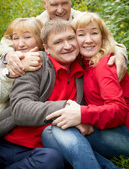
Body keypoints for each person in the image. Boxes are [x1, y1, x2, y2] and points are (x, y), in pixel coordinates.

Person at [0, 19, 117, 169]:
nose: (67, 46)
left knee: (51, 160)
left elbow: (99, 39)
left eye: (71, 39)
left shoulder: (84, 69)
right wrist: (66, 108)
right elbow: (20, 109)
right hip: (5, 143)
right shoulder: (35, 63)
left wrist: (121, 55)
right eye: (58, 42)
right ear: (46, 48)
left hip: (39, 151)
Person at [42, 12, 129, 166]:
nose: (88, 40)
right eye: (81, 35)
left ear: (102, 37)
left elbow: (119, 110)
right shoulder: (84, 64)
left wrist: (82, 115)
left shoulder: (104, 65)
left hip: (124, 134)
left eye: (94, 33)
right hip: (109, 129)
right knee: (53, 132)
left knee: (56, 131)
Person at [0, 0, 127, 81]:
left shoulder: (82, 19)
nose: (60, 10)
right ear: (45, 4)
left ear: (70, 1)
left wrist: (120, 55)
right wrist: (8, 55)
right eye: (54, 5)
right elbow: (8, 40)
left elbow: (108, 41)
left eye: (64, 3)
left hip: (80, 76)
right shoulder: (37, 23)